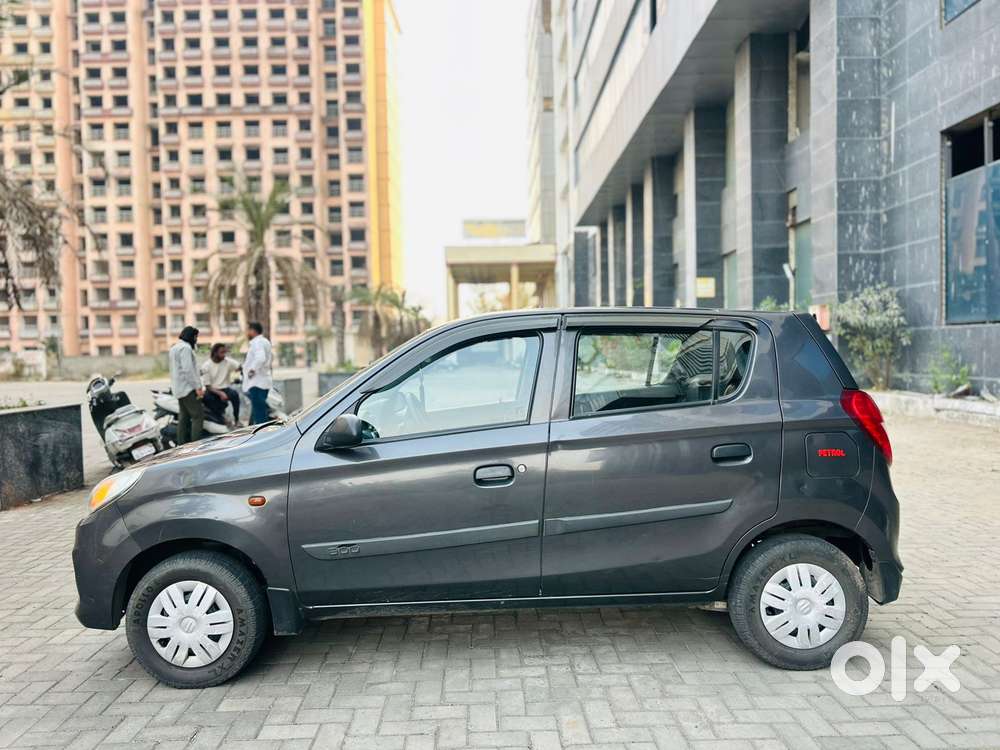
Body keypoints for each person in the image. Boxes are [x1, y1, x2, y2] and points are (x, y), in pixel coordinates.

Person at [169, 326, 204, 443]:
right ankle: (196, 445)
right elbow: (188, 370)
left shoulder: (175, 348)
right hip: (187, 388)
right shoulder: (185, 348)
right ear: (191, 336)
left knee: (183, 418)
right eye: (196, 337)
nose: (196, 340)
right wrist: (198, 387)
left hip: (178, 389)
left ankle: (181, 444)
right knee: (197, 416)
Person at [200, 343, 241, 425]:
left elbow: (240, 367)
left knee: (235, 395)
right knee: (207, 398)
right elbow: (207, 386)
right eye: (222, 352)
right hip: (212, 390)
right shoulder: (206, 366)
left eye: (225, 352)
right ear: (215, 353)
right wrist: (221, 393)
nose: (224, 355)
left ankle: (236, 420)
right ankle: (220, 418)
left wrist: (241, 371)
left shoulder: (227, 361)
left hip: (225, 388)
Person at [242, 321, 273, 424]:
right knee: (257, 411)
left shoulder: (257, 342)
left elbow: (260, 358)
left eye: (248, 330)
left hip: (257, 382)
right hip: (262, 381)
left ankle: (263, 436)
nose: (247, 333)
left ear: (252, 331)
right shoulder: (265, 341)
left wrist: (252, 370)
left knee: (259, 414)